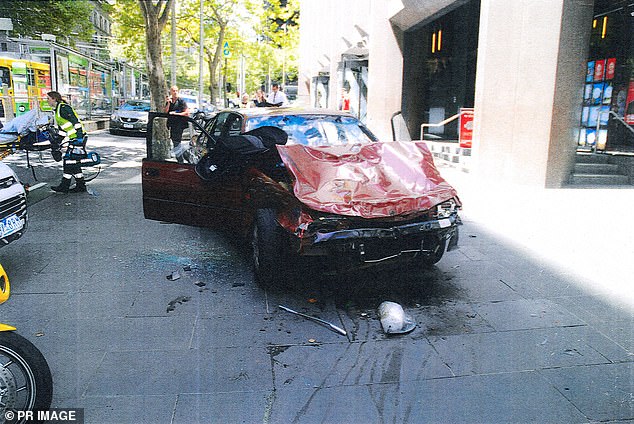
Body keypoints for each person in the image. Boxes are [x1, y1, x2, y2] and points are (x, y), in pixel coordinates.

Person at [47, 91, 88, 193]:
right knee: (74, 162)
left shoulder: (64, 108)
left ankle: (64, 186)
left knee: (68, 160)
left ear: (54, 99)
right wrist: (57, 141)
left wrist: (78, 138)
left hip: (78, 138)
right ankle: (80, 185)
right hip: (74, 138)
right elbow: (63, 129)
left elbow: (76, 123)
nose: (47, 100)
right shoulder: (57, 110)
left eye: (48, 98)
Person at [165, 85, 189, 163]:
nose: (175, 92)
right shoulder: (170, 101)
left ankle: (180, 160)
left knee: (176, 142)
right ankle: (182, 156)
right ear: (171, 92)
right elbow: (165, 112)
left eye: (176, 91)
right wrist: (168, 103)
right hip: (172, 125)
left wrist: (176, 114)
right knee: (175, 141)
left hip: (180, 125)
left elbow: (186, 112)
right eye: (173, 91)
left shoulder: (181, 101)